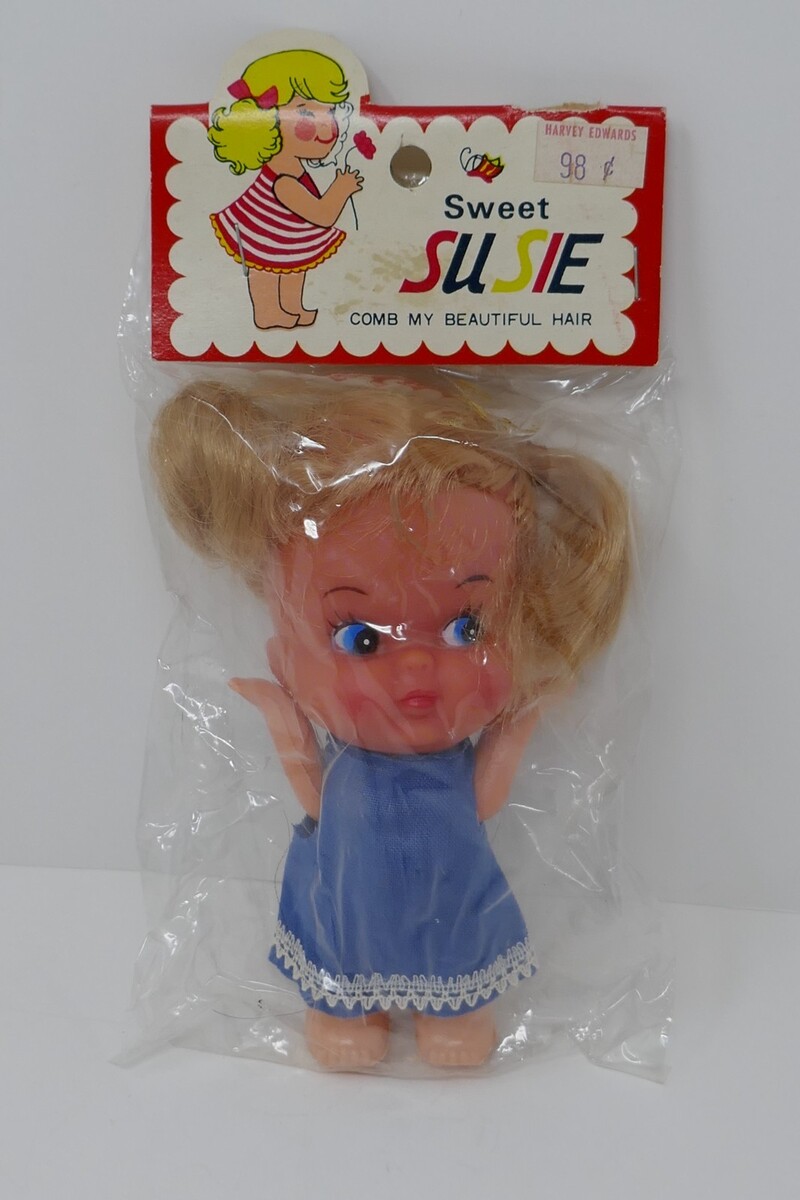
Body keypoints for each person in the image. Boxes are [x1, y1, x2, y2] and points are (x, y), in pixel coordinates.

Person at [151, 373, 630, 1068]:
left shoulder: (452, 766)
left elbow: (484, 796)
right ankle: (348, 1002)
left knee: (453, 940)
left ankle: (452, 1003)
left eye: (467, 628)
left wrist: (520, 720)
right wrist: (283, 716)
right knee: (345, 932)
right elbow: (316, 799)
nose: (415, 670)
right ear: (284, 655)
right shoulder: (345, 762)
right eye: (360, 638)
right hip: (350, 900)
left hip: (450, 901)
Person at [208, 49, 363, 329]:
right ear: (266, 122)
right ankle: (268, 312)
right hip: (264, 236)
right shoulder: (284, 182)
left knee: (294, 263)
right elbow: (323, 215)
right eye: (305, 114)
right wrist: (341, 189)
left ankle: (291, 306)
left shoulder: (294, 171)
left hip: (287, 235)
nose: (327, 128)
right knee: (267, 269)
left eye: (330, 113)